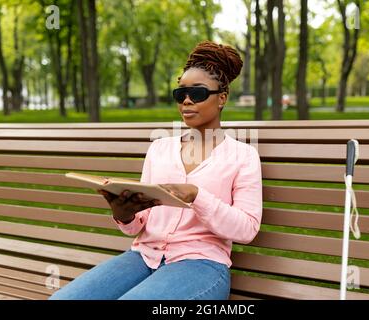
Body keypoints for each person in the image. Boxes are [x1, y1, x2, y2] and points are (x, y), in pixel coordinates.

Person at [49, 41, 263, 300]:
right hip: (143, 256)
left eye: (197, 94)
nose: (186, 101)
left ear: (222, 97)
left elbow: (247, 229)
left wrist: (196, 196)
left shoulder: (243, 155)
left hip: (201, 265)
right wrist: (124, 215)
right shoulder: (160, 148)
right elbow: (141, 223)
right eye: (180, 94)